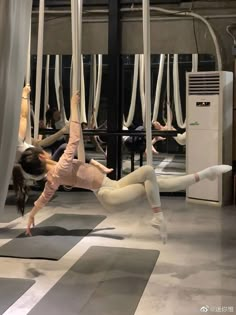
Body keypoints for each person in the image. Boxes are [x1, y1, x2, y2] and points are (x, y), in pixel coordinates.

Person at [14, 92, 232, 242]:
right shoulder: (58, 169)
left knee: (151, 176)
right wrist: (73, 105)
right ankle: (160, 216)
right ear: (42, 156)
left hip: (111, 184)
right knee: (151, 184)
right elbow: (74, 138)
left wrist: (33, 213)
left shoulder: (54, 174)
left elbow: (44, 196)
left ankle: (205, 174)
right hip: (107, 194)